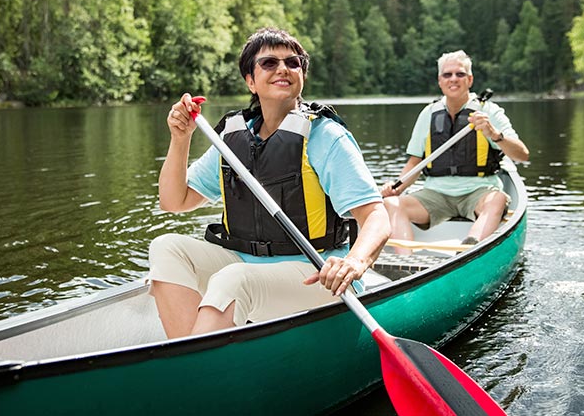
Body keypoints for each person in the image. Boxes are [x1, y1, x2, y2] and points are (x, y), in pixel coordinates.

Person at [148, 27, 390, 339]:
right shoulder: (231, 139)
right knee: (166, 248)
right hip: (248, 265)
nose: (283, 69)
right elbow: (174, 201)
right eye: (269, 63)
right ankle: (189, 358)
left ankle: (192, 371)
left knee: (234, 279)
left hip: (316, 275)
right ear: (250, 81)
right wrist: (180, 140)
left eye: (293, 63)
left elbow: (376, 217)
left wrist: (354, 263)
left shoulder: (326, 136)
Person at [380, 50, 529, 245]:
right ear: (440, 80)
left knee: (498, 200)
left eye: (460, 74)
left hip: (479, 191)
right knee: (391, 203)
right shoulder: (429, 113)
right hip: (436, 194)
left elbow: (522, 155)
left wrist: (494, 134)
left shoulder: (489, 111)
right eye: (447, 74)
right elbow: (415, 162)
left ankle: (470, 250)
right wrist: (397, 187)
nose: (453, 79)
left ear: (470, 79)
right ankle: (402, 264)